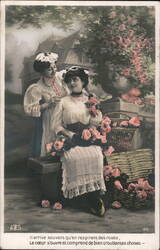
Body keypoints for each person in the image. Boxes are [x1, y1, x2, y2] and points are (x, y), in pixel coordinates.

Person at [50, 66, 106, 216]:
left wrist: (95, 112)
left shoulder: (90, 100)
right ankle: (72, 196)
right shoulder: (63, 102)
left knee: (97, 154)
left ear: (83, 81)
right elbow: (55, 125)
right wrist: (69, 134)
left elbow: (95, 123)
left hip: (86, 137)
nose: (72, 83)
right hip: (69, 137)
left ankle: (93, 196)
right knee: (73, 156)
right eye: (69, 81)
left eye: (75, 80)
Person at [24, 52, 69, 157]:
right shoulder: (37, 88)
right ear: (41, 72)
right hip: (51, 119)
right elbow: (30, 110)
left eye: (54, 67)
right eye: (49, 69)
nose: (54, 71)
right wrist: (48, 103)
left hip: (67, 114)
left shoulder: (61, 77)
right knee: (55, 145)